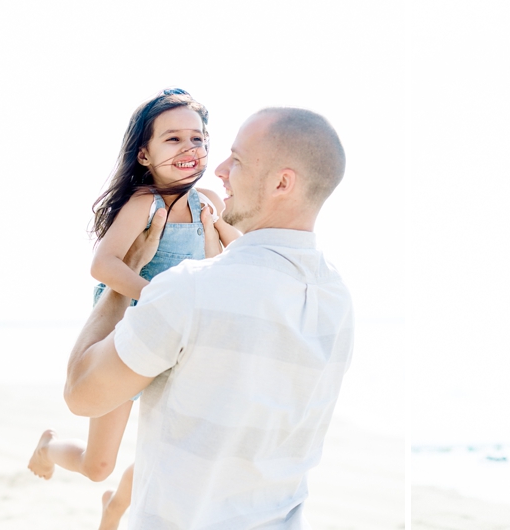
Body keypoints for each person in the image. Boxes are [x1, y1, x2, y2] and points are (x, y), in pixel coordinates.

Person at [61, 107, 354, 530]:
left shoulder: (190, 291)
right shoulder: (337, 299)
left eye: (236, 159)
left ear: (281, 182)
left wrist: (124, 289)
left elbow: (81, 394)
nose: (216, 168)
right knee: (102, 461)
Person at [27, 88, 238, 529]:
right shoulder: (145, 203)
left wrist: (227, 239)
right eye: (173, 139)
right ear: (144, 154)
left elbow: (240, 255)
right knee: (97, 465)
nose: (190, 149)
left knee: (170, 452)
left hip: (182, 341)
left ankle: (116, 508)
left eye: (198, 139)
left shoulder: (211, 204)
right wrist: (155, 297)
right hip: (124, 331)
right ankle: (48, 448)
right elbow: (103, 265)